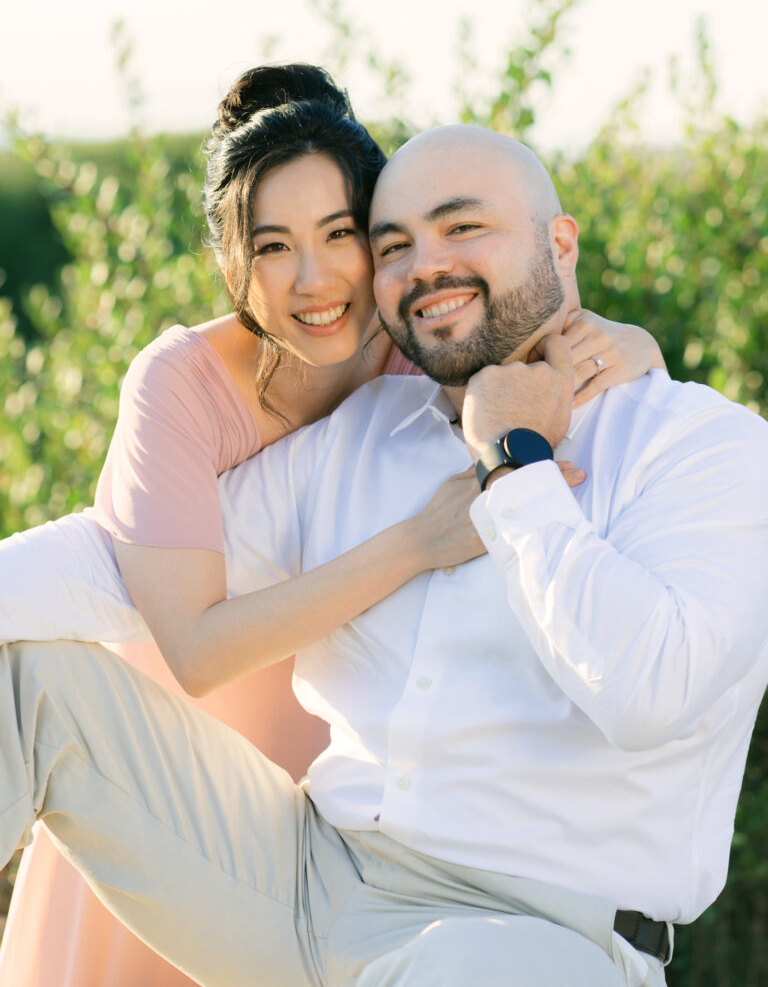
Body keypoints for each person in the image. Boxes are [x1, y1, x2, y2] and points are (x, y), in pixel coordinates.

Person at [1, 100, 668, 987]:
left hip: (349, 702)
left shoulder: (420, 343)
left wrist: (632, 347)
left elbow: (542, 322)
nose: (315, 282)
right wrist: (415, 543)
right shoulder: (183, 385)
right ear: (233, 265)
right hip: (210, 652)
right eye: (273, 246)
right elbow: (125, 586)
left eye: (341, 235)